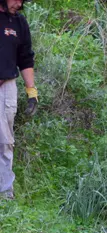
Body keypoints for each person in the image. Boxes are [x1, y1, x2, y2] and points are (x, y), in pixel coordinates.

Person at [0, 0, 37, 200]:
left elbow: (25, 58)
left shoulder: (18, 22)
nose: (19, 4)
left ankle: (5, 193)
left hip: (6, 87)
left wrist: (31, 92)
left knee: (5, 140)